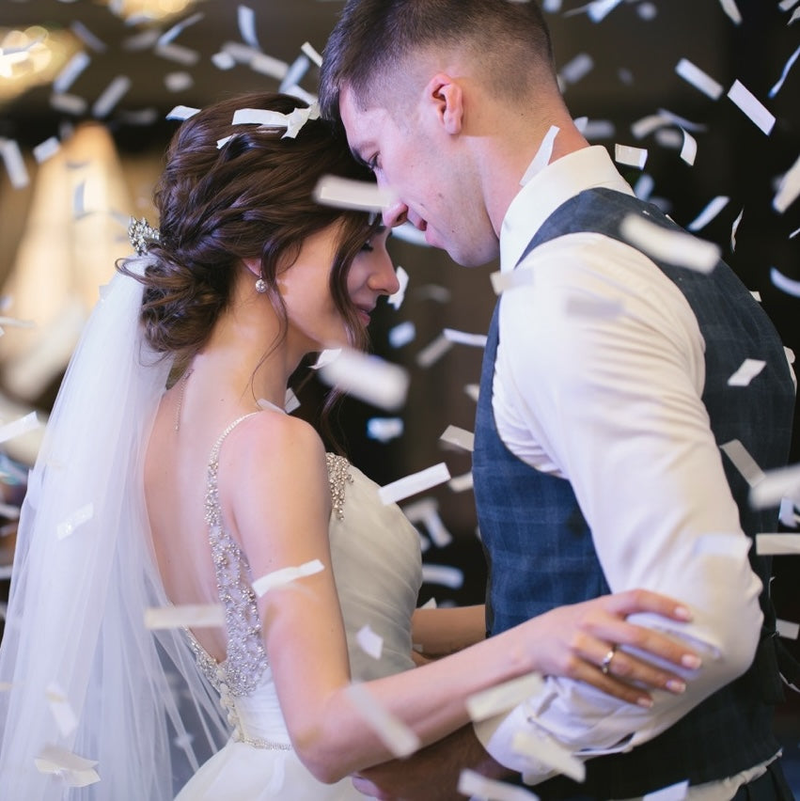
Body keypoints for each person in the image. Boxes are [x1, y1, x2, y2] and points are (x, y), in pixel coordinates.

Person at [0, 91, 701, 800]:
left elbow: (313, 632)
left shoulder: (152, 439)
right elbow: (325, 729)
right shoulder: (270, 443)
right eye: (364, 243)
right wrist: (532, 645)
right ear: (263, 249)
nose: (389, 277)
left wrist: (536, 613)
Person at [318, 1, 798, 799]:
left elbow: (697, 620)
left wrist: (483, 753)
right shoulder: (667, 245)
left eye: (375, 154)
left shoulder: (570, 288)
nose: (389, 205)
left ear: (444, 102)